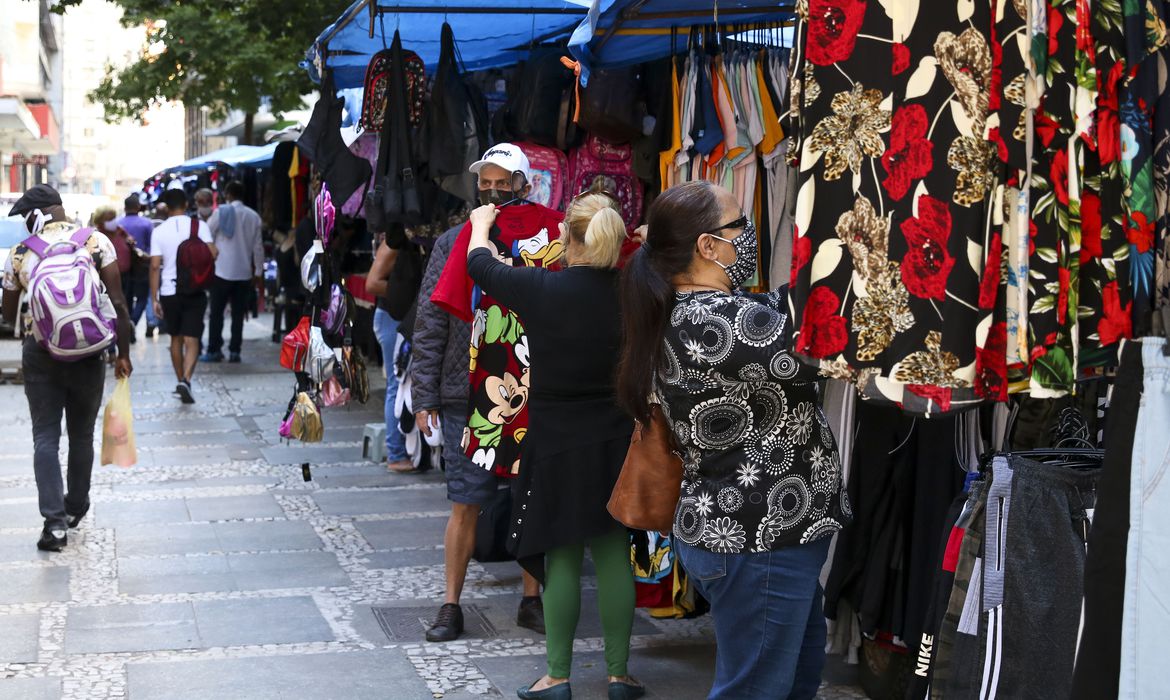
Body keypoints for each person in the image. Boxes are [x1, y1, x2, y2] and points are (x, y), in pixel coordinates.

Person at [615, 181, 850, 700]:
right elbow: (823, 334)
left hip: (756, 533)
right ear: (707, 245)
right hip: (757, 536)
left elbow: (781, 312)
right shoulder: (716, 321)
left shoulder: (703, 309)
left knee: (791, 678)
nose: (748, 234)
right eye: (739, 225)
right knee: (755, 689)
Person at [467, 191, 643, 700]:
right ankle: (619, 676)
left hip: (555, 443)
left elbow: (480, 266)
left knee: (561, 555)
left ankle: (558, 677)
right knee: (613, 554)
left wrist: (481, 224)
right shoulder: (633, 290)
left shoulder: (543, 287)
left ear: (568, 237)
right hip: (615, 439)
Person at [412, 225, 544, 644]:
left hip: (527, 388)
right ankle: (451, 603)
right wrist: (424, 395)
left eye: (504, 185)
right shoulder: (454, 241)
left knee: (530, 495)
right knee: (465, 500)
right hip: (464, 392)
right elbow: (431, 317)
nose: (495, 192)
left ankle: (532, 598)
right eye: (486, 186)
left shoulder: (543, 231)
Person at [1, 185, 133, 552]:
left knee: (45, 437)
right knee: (81, 434)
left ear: (35, 215)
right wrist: (123, 354)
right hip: (89, 351)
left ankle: (54, 525)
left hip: (41, 352)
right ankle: (76, 505)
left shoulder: (20, 253)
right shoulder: (95, 242)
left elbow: (8, 315)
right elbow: (118, 302)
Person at [151, 188, 217, 403]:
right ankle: (186, 380)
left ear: (166, 207)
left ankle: (181, 379)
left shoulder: (159, 231)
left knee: (176, 338)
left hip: (169, 291)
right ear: (187, 204)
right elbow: (213, 252)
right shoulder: (199, 226)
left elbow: (154, 266)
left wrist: (154, 298)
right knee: (192, 338)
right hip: (195, 289)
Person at [201, 181, 264, 363]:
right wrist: (258, 272)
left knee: (216, 313)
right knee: (238, 315)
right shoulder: (253, 216)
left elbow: (206, 233)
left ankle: (214, 349)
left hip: (221, 271)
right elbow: (258, 247)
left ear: (227, 195)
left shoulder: (220, 212)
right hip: (244, 273)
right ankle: (235, 351)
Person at [365, 237, 413, 472]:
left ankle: (404, 450)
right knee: (397, 383)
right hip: (391, 317)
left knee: (401, 383)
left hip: (396, 317)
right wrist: (408, 293)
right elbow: (372, 283)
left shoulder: (402, 240)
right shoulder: (392, 241)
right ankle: (396, 453)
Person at [115, 193, 159, 338]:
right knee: (142, 298)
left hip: (123, 268)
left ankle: (128, 326)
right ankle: (132, 322)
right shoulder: (147, 224)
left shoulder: (118, 224)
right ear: (138, 207)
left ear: (125, 207)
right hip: (143, 266)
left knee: (126, 298)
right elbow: (152, 246)